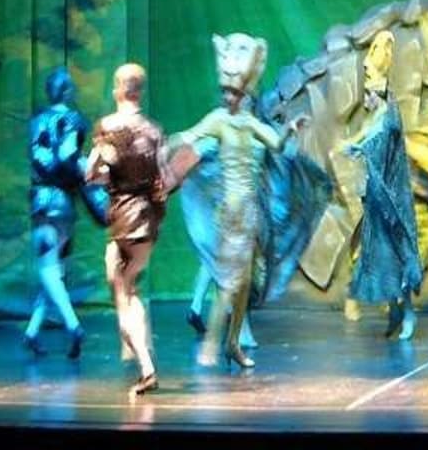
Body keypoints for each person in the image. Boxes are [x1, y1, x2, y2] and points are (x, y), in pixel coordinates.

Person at [173, 33, 305, 370]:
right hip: (229, 214)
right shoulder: (218, 120)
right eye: (226, 92)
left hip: (252, 214)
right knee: (229, 279)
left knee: (244, 282)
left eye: (234, 93)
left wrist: (290, 129)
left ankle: (233, 342)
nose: (228, 97)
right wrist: (162, 146)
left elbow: (277, 145)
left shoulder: (251, 124)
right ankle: (213, 341)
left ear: (245, 96)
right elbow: (189, 137)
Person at [86, 63, 172, 396]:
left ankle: (144, 363)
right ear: (140, 91)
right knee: (123, 280)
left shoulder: (108, 127)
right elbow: (164, 179)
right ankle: (136, 342)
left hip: (124, 217)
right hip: (147, 219)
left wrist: (102, 172)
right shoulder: (154, 130)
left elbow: (92, 173)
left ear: (119, 89)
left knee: (122, 292)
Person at [343, 30, 423, 340]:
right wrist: (356, 147)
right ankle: (394, 314)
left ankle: (409, 313)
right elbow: (367, 139)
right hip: (377, 200)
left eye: (369, 95)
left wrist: (361, 148)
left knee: (399, 256)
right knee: (382, 258)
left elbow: (381, 138)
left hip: (393, 201)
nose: (366, 99)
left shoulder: (389, 115)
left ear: (377, 94)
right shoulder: (376, 118)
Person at [24, 67, 107, 358]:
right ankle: (32, 331)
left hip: (42, 202)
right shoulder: (73, 120)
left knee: (48, 268)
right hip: (63, 203)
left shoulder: (36, 121)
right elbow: (68, 157)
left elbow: (49, 158)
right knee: (53, 269)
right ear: (68, 91)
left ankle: (72, 325)